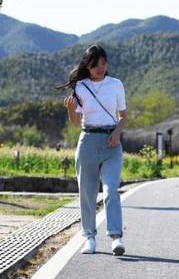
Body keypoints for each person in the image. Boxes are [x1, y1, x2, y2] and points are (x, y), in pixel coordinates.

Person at [57, 45, 127, 256]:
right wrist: (70, 110)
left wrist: (117, 131)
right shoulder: (80, 86)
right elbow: (76, 123)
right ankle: (89, 238)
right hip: (87, 141)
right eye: (95, 64)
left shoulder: (115, 84)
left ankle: (116, 237)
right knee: (87, 194)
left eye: (103, 63)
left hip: (111, 143)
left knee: (111, 190)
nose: (100, 68)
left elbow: (123, 115)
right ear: (87, 66)